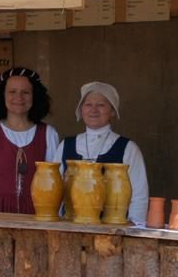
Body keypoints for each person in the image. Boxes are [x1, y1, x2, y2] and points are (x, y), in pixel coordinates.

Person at [0, 66, 62, 214]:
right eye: (12, 92)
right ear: (2, 96)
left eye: (26, 92)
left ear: (35, 96)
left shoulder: (48, 134)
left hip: (35, 215)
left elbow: (54, 184)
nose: (19, 97)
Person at [56, 81, 149, 225]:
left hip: (111, 230)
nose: (93, 110)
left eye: (101, 105)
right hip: (70, 227)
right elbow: (55, 188)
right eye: (88, 104)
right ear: (81, 110)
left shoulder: (128, 148)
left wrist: (134, 225)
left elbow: (139, 194)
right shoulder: (66, 145)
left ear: (112, 111)